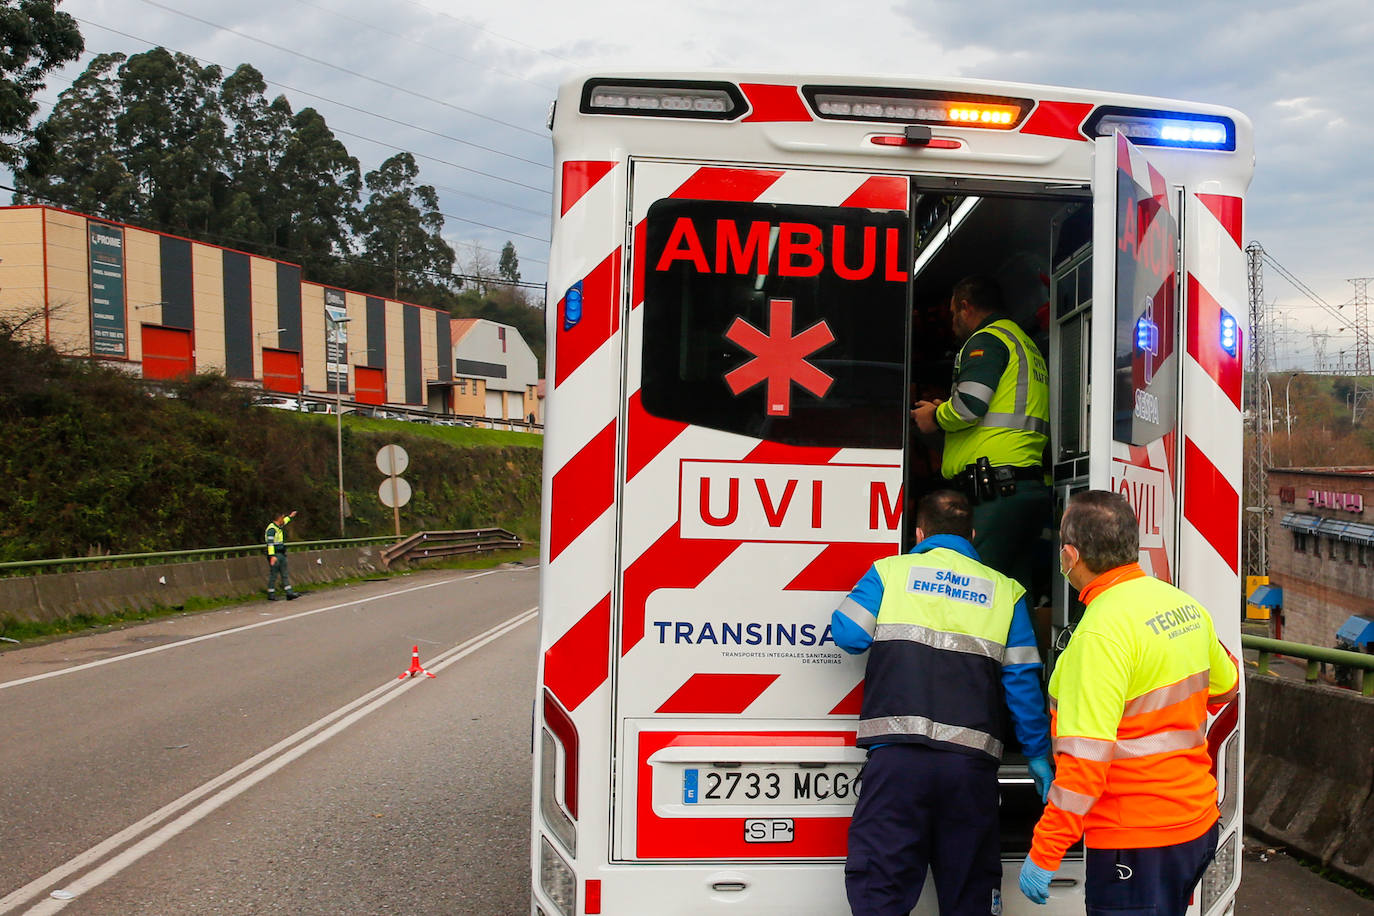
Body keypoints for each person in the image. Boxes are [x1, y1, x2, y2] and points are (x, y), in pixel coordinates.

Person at [832, 489, 1053, 916]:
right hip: (967, 770)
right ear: (971, 534)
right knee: (970, 891)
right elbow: (1023, 684)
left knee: (881, 891)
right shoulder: (1006, 593)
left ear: (919, 533)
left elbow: (848, 634)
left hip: (896, 764)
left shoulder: (890, 573)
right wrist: (1038, 754)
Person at [1018, 490, 1240, 913]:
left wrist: (1045, 852)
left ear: (1069, 555)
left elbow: (1085, 765)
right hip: (1195, 823)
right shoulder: (1184, 606)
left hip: (1136, 840)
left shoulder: (1098, 636)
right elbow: (1226, 685)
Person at [911, 275, 1051, 599]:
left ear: (965, 306)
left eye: (952, 314)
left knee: (973, 592)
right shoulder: (1024, 342)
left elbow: (970, 406)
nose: (953, 323)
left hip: (997, 491)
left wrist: (934, 416)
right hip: (1022, 487)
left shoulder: (986, 339)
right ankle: (1023, 653)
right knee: (1014, 596)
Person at [264, 510, 300, 600]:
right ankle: (271, 594)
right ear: (279, 518)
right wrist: (272, 556)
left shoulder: (278, 527)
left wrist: (291, 516)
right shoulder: (272, 529)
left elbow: (286, 521)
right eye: (283, 518)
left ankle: (289, 592)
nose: (284, 519)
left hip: (281, 553)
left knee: (284, 573)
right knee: (274, 574)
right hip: (275, 554)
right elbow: (270, 543)